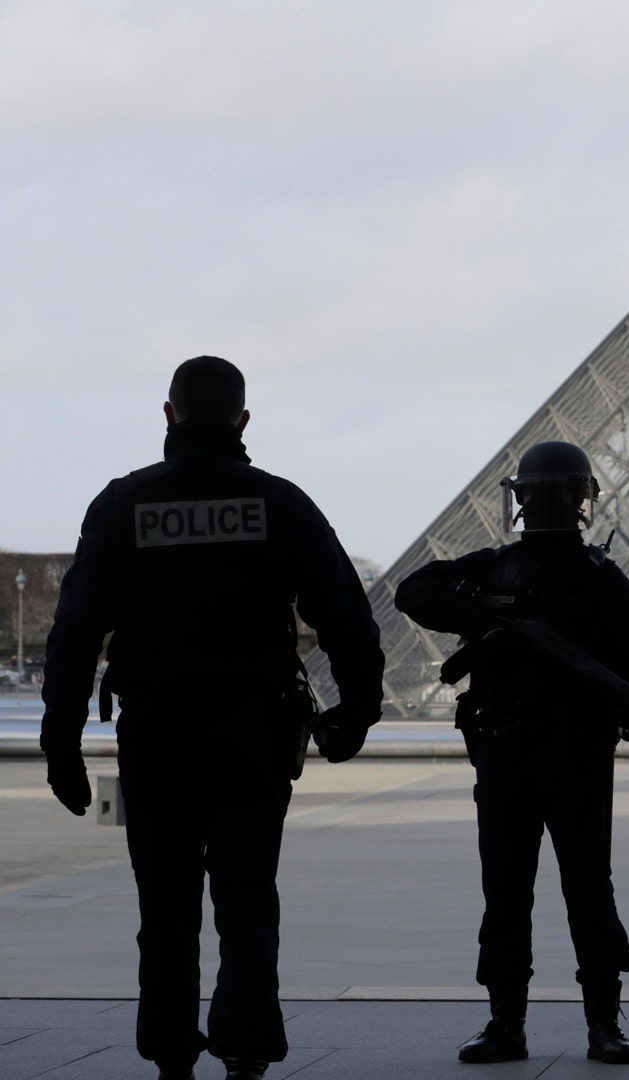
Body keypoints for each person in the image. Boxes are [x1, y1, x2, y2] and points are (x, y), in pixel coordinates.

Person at [39, 356, 385, 1080]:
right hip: (253, 731)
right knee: (247, 893)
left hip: (157, 731)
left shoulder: (123, 505)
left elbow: (74, 630)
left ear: (169, 416)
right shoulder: (280, 504)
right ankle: (247, 1047)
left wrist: (61, 740)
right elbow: (348, 619)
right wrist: (359, 708)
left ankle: (171, 1053)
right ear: (242, 421)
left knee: (164, 902)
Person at [394, 440, 629, 1066]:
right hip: (540, 754)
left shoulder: (554, 573)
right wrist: (495, 625)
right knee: (562, 889)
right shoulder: (511, 571)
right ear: (582, 500)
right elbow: (415, 591)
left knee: (532, 890)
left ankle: (518, 1024)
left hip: (543, 752)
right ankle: (585, 1025)